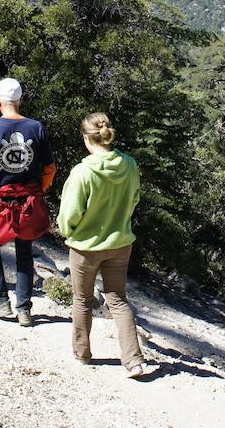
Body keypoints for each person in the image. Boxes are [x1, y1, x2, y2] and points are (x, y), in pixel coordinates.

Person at [58, 112, 154, 378]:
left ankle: (82, 353)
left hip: (85, 247)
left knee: (82, 299)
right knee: (118, 300)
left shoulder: (83, 172)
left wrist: (69, 232)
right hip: (120, 243)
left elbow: (69, 215)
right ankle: (134, 360)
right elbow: (134, 199)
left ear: (87, 138)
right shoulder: (129, 165)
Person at [0, 78, 56, 326]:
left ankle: (0, 301)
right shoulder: (36, 127)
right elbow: (49, 168)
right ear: (20, 100)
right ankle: (24, 309)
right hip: (28, 199)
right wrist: (38, 190)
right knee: (24, 252)